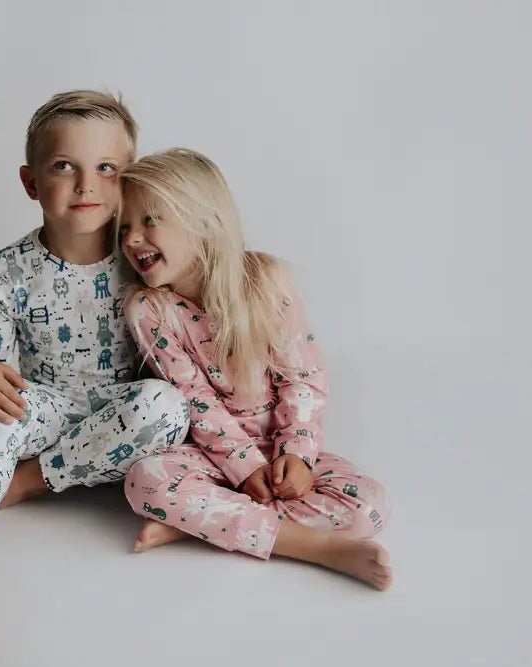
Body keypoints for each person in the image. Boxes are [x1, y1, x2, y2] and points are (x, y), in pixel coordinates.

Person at [0, 92, 190, 648]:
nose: (86, 185)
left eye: (106, 168)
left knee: (166, 406)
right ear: (31, 182)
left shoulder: (143, 256)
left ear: (129, 178)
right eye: (64, 166)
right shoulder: (9, 272)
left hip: (126, 409)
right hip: (46, 402)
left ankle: (25, 482)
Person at [118, 148, 392, 590]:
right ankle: (314, 548)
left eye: (149, 221)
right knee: (144, 482)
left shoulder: (265, 282)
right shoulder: (150, 309)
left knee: (370, 506)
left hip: (281, 453)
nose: (132, 239)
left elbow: (302, 380)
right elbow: (194, 400)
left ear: (202, 220)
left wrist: (296, 455)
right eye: (124, 228)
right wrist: (243, 468)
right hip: (211, 455)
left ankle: (204, 523)